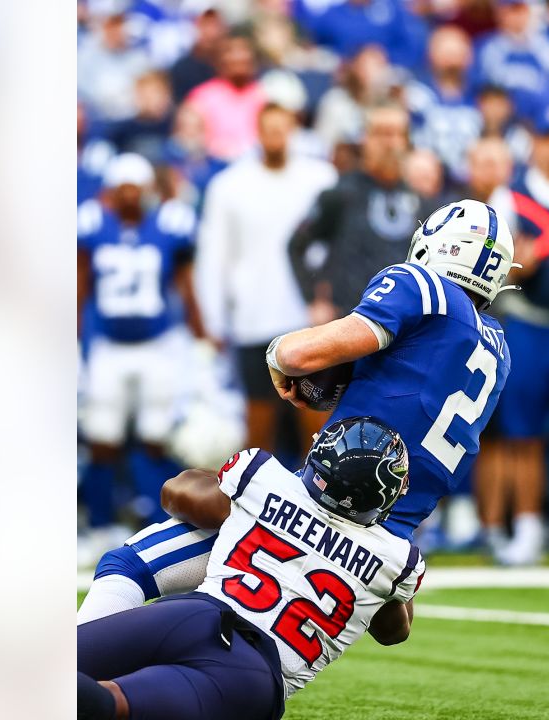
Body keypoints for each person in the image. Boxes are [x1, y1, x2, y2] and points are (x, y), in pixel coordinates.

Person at [78, 197, 514, 623]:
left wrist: (277, 356)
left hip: (311, 508)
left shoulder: (422, 286)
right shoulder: (498, 351)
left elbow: (298, 356)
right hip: (382, 551)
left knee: (134, 556)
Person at [77, 417, 423, 720]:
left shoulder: (264, 476)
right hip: (251, 674)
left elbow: (180, 494)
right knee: (110, 704)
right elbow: (394, 632)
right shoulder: (397, 560)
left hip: (191, 616)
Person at [77, 153, 209, 564]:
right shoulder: (94, 225)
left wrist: (200, 334)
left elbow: (186, 285)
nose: (131, 195)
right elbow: (80, 285)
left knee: (156, 438)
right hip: (109, 348)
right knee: (102, 437)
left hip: (158, 346)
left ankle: (157, 526)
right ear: (112, 193)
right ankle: (100, 525)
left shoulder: (170, 225)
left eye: (137, 187)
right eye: (123, 188)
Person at [196, 103, 339, 455]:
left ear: (293, 128)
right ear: (257, 131)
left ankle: (317, 507)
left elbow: (334, 247)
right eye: (268, 128)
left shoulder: (320, 179)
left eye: (282, 127)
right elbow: (213, 255)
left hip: (308, 321)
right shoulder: (229, 185)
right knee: (258, 423)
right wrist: (213, 319)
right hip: (253, 318)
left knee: (316, 425)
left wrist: (329, 301)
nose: (275, 136)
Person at [288, 103, 441, 325]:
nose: (390, 143)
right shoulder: (341, 194)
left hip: (405, 329)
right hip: (349, 325)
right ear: (365, 139)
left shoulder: (421, 201)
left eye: (398, 134)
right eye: (381, 133)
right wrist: (314, 300)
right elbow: (296, 245)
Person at [493, 114, 549, 565]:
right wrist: (520, 259)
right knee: (524, 434)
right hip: (529, 322)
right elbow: (499, 265)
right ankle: (527, 524)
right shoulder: (512, 196)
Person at [406, 25, 484, 183]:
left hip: (471, 177)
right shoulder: (417, 93)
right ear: (431, 54)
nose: (452, 61)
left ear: (469, 56)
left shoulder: (481, 94)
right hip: (429, 175)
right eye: (447, 53)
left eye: (457, 53)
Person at [184, 32, 268, 162]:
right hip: (215, 163)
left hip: (256, 162)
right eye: (231, 51)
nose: (238, 57)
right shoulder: (202, 96)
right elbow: (189, 138)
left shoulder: (264, 93)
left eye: (243, 50)